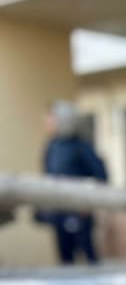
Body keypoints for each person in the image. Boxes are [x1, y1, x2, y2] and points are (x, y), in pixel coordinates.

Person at [38, 100, 108, 265]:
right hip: (59, 212)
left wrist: (88, 203)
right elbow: (48, 177)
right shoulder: (52, 147)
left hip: (80, 211)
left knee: (88, 253)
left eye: (51, 118)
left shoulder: (80, 146)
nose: (47, 122)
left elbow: (101, 175)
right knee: (65, 258)